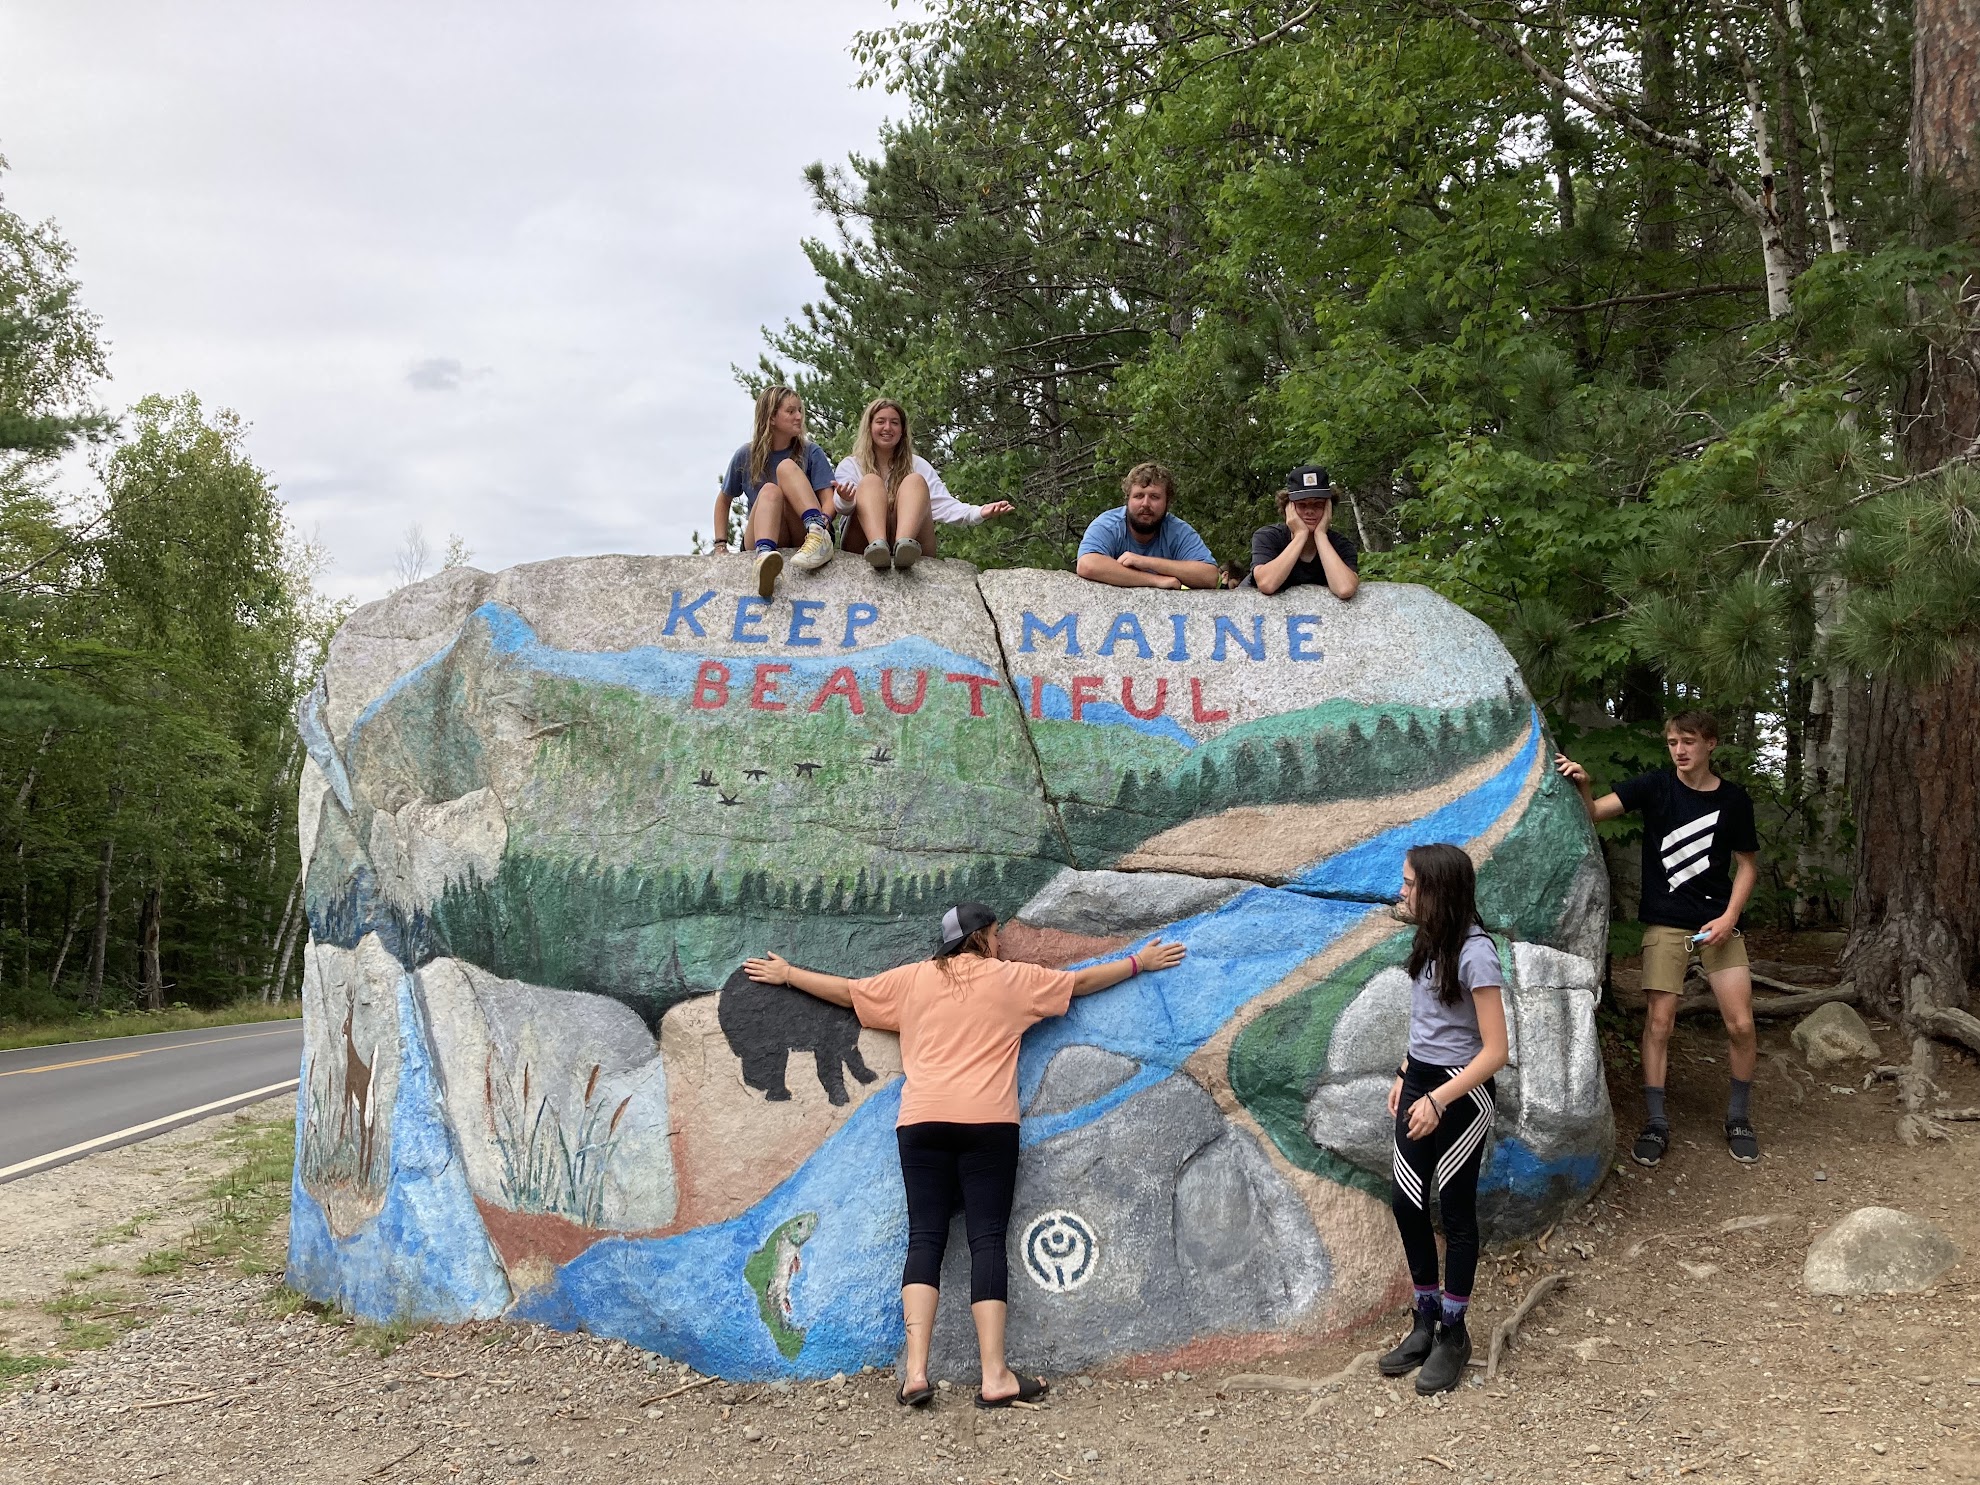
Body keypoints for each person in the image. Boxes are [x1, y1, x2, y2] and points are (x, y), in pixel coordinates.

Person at [744, 903, 1187, 1408]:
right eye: (995, 934)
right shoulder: (1010, 980)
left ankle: (915, 1373)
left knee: (925, 1239)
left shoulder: (913, 981)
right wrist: (1138, 963)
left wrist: (787, 975)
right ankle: (994, 1376)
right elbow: (1079, 984)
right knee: (987, 1241)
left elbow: (849, 992)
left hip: (922, 1123)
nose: (999, 943)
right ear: (982, 937)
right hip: (987, 1125)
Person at [1554, 710, 1760, 1166]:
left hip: (1717, 923)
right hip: (1666, 923)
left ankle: (1739, 1117)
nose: (1680, 751)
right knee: (1660, 1024)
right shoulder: (1655, 787)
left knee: (1741, 1024)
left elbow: (1747, 864)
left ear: (1711, 744)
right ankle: (1656, 1122)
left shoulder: (1734, 800)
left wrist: (1729, 917)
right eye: (1672, 742)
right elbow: (1593, 813)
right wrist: (1584, 782)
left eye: (1688, 741)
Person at [1380, 843, 1509, 1395]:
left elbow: (1495, 1050)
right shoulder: (1430, 937)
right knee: (1405, 1203)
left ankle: (1454, 1333)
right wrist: (1406, 1074)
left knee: (1454, 1210)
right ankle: (1425, 1319)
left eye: (1410, 883)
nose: (1402, 892)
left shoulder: (1476, 952)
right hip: (1420, 1082)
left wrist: (1439, 1099)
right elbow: (1431, 1022)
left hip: (1464, 1092)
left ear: (1438, 889)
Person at [834, 398, 1015, 571]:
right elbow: (841, 508)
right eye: (880, 421)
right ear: (869, 427)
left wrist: (978, 512)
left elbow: (942, 505)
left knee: (915, 480)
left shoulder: (917, 464)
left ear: (903, 430)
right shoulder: (851, 465)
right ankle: (878, 548)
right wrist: (847, 500)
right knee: (871, 481)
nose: (887, 428)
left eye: (895, 423)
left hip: (913, 542)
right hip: (862, 543)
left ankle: (904, 546)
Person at [713, 385, 838, 599]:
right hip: (766, 532)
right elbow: (724, 500)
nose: (799, 416)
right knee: (770, 490)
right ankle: (764, 560)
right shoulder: (746, 454)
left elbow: (829, 500)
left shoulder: (811, 451)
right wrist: (720, 545)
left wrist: (824, 522)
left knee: (786, 468)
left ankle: (818, 535)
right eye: (791, 411)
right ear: (771, 417)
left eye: (800, 410)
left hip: (803, 532)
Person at [1074, 462, 1218, 590]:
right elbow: (1087, 565)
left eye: (1154, 497)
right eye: (1138, 496)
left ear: (1167, 502)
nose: (1145, 504)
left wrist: (1145, 562)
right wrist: (1155, 580)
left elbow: (1209, 576)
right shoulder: (1108, 525)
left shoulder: (1178, 531)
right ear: (1127, 500)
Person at [1244, 465, 1359, 600]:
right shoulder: (1268, 537)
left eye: (1318, 505)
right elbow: (1267, 584)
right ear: (1288, 508)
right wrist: (1300, 535)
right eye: (1302, 505)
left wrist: (1321, 535)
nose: (1310, 511)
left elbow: (1345, 588)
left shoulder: (1341, 545)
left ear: (1329, 507)